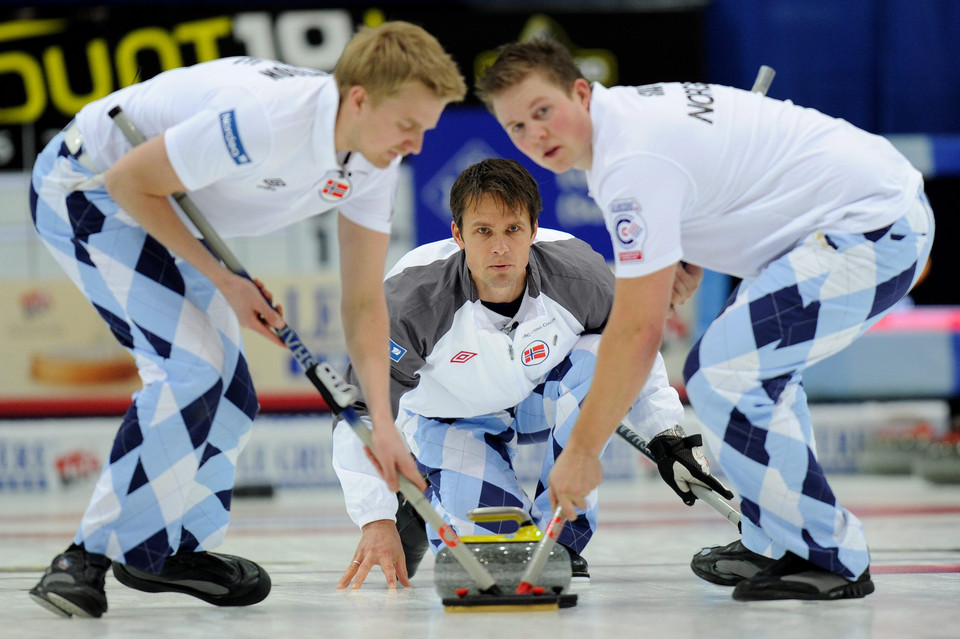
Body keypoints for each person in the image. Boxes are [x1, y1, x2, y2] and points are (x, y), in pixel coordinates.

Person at [27, 22, 466, 618]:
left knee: (230, 397)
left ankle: (167, 547)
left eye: (426, 129)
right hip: (88, 189)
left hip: (159, 208)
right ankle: (83, 559)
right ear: (359, 99)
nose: (416, 145)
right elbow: (129, 180)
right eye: (408, 125)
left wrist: (383, 426)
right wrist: (226, 282)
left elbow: (363, 303)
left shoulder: (373, 161)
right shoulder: (265, 118)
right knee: (191, 372)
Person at [477, 39, 934, 601]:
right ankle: (779, 542)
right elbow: (715, 172)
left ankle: (829, 556)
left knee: (725, 374)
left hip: (870, 225)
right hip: (853, 216)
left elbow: (638, 332)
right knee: (744, 374)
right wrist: (688, 254)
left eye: (542, 112)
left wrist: (580, 454)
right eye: (516, 127)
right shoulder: (622, 125)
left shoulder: (630, 160)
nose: (534, 136)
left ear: (579, 90)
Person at [331, 157, 730, 590]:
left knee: (602, 356)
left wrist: (665, 433)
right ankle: (429, 494)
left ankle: (560, 542)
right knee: (496, 556)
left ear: (534, 230)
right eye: (483, 231)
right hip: (449, 417)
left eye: (513, 230)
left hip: (540, 396)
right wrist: (375, 518)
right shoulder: (411, 302)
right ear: (458, 234)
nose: (499, 248)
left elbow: (634, 347)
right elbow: (358, 412)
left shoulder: (578, 275)